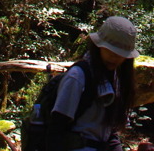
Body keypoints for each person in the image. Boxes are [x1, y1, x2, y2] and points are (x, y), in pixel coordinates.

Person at [49, 16, 138, 151]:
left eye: (119, 54)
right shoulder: (78, 77)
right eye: (110, 51)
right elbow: (56, 128)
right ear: (98, 46)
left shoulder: (115, 80)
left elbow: (110, 133)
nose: (114, 57)